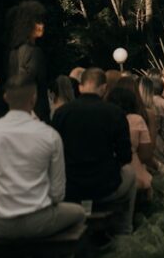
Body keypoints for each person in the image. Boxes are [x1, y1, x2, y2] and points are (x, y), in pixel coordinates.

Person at [0, 78, 85, 258]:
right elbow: (58, 193)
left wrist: (6, 201)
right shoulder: (48, 135)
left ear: (5, 97)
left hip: (1, 222)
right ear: (34, 98)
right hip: (39, 219)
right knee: (78, 213)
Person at [51, 67, 136, 235]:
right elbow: (125, 156)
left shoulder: (61, 113)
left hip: (71, 187)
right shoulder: (115, 113)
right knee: (131, 174)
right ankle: (125, 230)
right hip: (104, 187)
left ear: (80, 87)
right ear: (104, 88)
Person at [5, 0, 50, 121]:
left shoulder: (12, 52)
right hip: (34, 115)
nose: (42, 26)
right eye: (38, 22)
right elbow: (28, 85)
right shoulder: (34, 52)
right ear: (27, 24)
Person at [107, 86, 153, 194]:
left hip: (108, 174)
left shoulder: (104, 119)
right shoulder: (137, 120)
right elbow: (146, 155)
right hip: (134, 171)